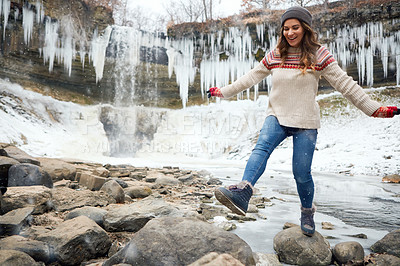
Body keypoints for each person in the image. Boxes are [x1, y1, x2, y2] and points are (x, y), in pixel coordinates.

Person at [207, 6, 398, 236]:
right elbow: (249, 78)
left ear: (305, 29)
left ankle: (307, 211)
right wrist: (223, 92)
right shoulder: (276, 54)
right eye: (286, 28)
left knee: (301, 173)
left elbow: (346, 85)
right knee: (262, 147)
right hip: (277, 115)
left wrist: (374, 109)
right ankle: (243, 191)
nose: (290, 32)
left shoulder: (320, 55)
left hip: (305, 121)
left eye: (295, 27)